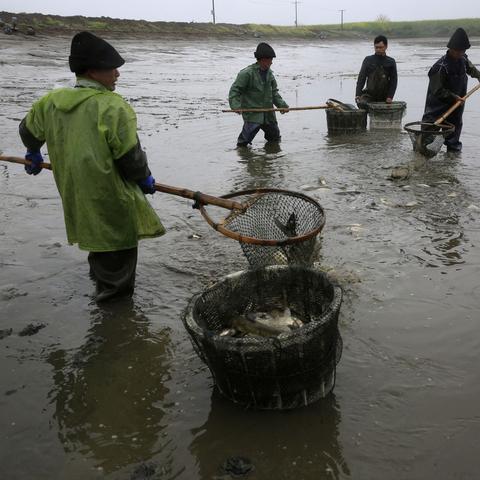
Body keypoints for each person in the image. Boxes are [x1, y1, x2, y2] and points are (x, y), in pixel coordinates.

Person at [19, 31, 165, 302]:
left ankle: (101, 283)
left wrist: (33, 151)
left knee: (96, 236)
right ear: (93, 71)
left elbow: (28, 130)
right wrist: (144, 178)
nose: (117, 74)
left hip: (75, 191)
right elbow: (130, 157)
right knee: (117, 245)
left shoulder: (50, 102)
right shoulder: (113, 107)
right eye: (112, 69)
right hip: (108, 194)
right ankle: (113, 318)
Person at [422, 27, 480, 153]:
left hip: (457, 102)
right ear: (451, 49)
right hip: (437, 104)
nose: (460, 54)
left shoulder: (463, 59)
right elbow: (437, 90)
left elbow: (472, 70)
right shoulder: (440, 67)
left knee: (455, 126)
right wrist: (454, 97)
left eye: (462, 51)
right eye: (458, 51)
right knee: (430, 129)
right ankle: (423, 151)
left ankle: (453, 153)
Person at [229, 42, 289, 147]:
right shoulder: (246, 73)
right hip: (253, 114)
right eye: (270, 60)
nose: (271, 63)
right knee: (244, 142)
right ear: (263, 60)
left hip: (268, 114)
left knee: (275, 138)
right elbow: (235, 90)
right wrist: (236, 106)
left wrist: (282, 105)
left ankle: (272, 156)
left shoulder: (270, 74)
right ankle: (243, 156)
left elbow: (274, 93)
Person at [355, 35, 398, 109]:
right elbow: (361, 78)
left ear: (386, 47)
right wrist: (358, 94)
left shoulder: (391, 61)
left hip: (384, 96)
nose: (378, 49)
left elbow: (394, 81)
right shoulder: (368, 60)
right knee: (361, 104)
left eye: (380, 47)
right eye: (376, 47)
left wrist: (390, 96)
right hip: (369, 94)